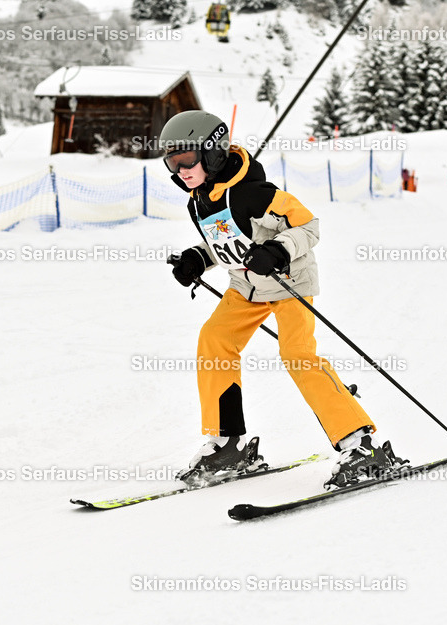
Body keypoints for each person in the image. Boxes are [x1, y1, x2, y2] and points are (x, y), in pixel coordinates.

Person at [159, 110, 405, 490]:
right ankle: (228, 444)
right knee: (214, 339)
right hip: (246, 287)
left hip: (288, 281)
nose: (180, 171)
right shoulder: (199, 201)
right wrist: (197, 259)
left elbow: (308, 225)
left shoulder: (255, 194)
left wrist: (277, 250)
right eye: (172, 163)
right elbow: (225, 241)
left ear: (212, 152)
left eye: (187, 160)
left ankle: (360, 444)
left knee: (297, 354)